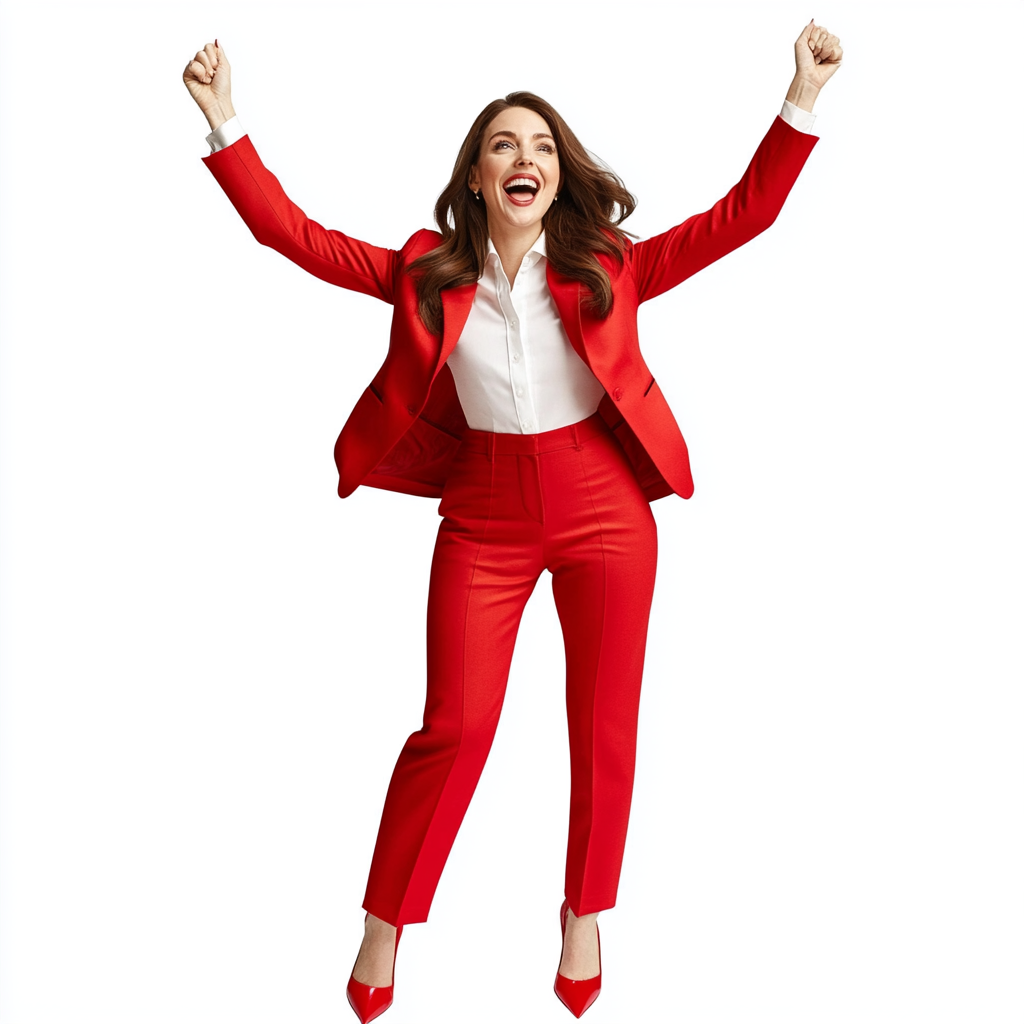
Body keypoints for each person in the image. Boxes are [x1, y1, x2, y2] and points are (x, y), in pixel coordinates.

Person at [183, 21, 842, 1020]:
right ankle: (385, 918)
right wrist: (224, 117)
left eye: (539, 145)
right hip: (484, 513)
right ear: (477, 179)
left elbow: (740, 217)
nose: (523, 157)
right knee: (453, 726)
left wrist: (800, 98)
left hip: (605, 508)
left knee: (603, 724)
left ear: (559, 174)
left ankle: (584, 910)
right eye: (503, 146)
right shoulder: (426, 275)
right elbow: (293, 236)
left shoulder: (608, 267)